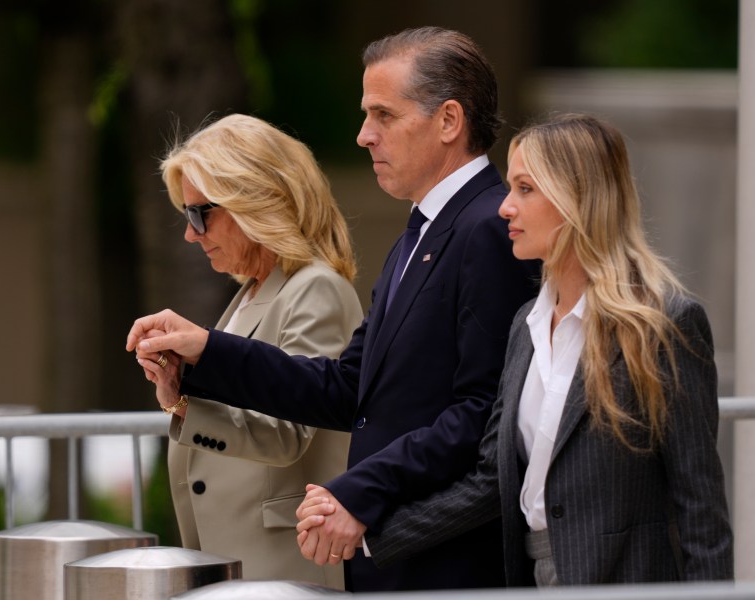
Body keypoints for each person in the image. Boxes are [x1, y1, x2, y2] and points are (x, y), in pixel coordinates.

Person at [127, 27, 540, 592]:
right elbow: (346, 389)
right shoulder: (423, 231)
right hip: (394, 553)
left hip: (443, 562)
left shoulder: (489, 227)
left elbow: (482, 412)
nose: (363, 135)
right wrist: (205, 353)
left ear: (448, 121)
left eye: (383, 115)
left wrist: (360, 492)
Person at [298, 113, 734, 586]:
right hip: (531, 581)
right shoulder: (525, 328)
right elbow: (492, 484)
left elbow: (701, 509)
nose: (505, 207)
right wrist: (368, 532)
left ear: (579, 200)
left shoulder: (664, 323)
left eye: (525, 189)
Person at [134, 113, 363, 588]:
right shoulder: (256, 291)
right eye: (186, 215)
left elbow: (286, 433)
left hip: (284, 567)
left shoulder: (316, 288)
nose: (190, 233)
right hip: (244, 562)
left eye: (200, 213)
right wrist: (177, 395)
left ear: (257, 202)